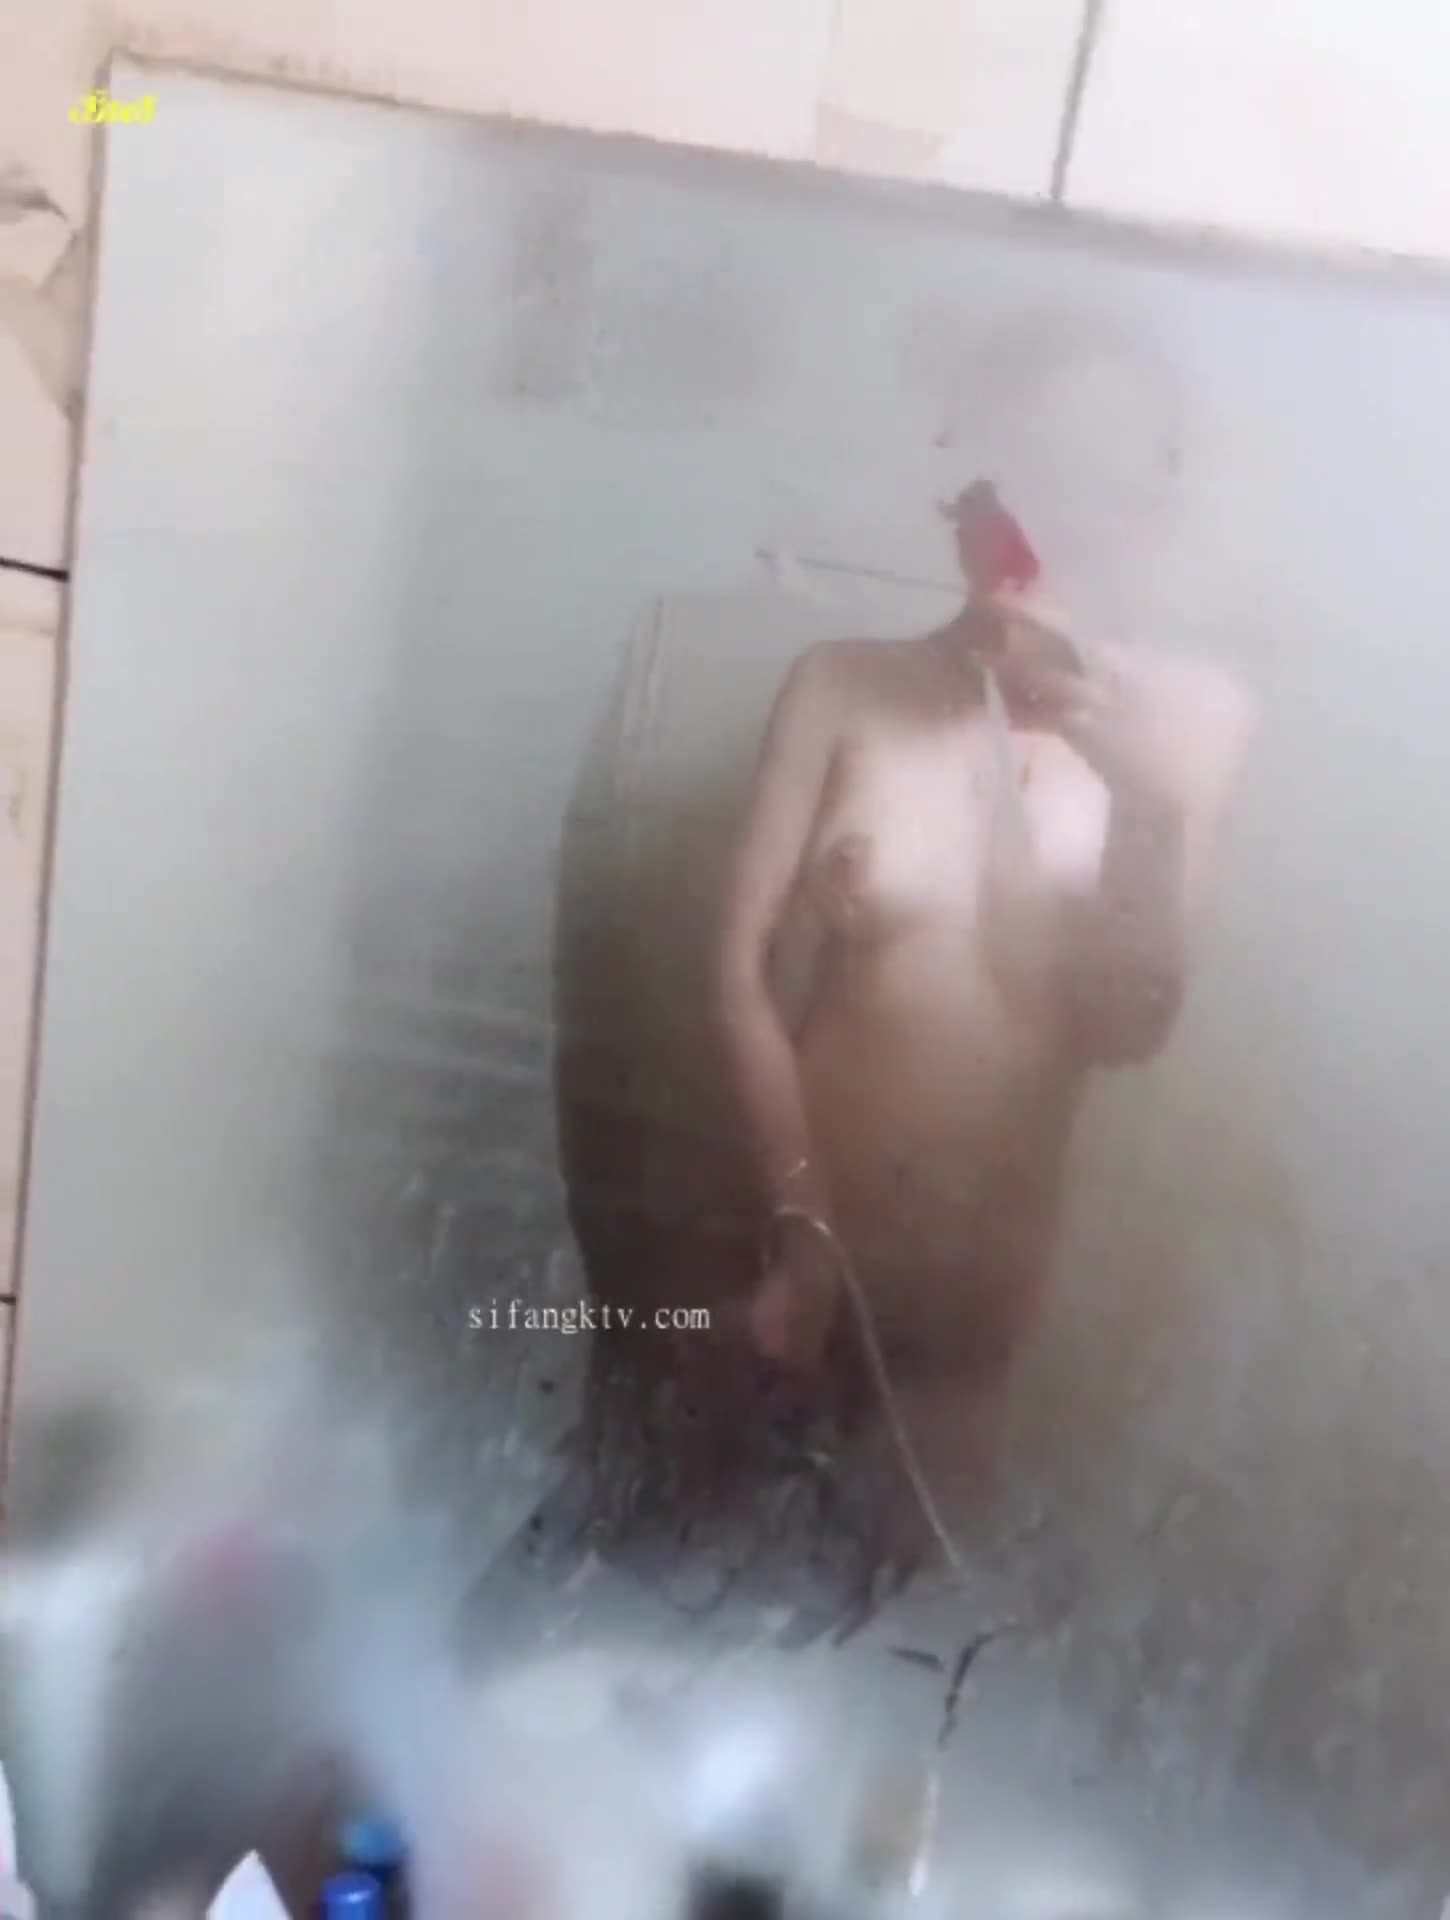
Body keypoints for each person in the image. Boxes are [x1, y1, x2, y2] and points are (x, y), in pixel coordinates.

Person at [716, 475, 1255, 1572]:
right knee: (715, 1563)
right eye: (994, 505)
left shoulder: (1191, 718)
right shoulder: (844, 683)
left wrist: (1144, 805)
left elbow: (1131, 1030)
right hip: (793, 1220)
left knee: (909, 1597)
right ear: (962, 514)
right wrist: (800, 1230)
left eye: (1067, 488)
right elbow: (739, 972)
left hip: (976, 1285)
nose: (1021, 546)